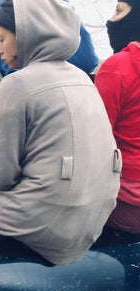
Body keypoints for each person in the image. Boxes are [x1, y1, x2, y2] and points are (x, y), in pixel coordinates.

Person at [0, 0, 120, 266]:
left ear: (27, 36)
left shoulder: (17, 83)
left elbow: (2, 177)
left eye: (1, 39)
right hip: (93, 219)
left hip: (46, 222)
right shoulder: (83, 78)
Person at [95, 0, 140, 234]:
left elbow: (95, 145)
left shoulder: (117, 68)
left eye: (119, 10)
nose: (110, 20)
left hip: (127, 206)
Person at [0, 0, 98, 76]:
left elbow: (8, 62)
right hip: (76, 78)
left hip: (29, 79)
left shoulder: (10, 5)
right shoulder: (63, 6)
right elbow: (88, 60)